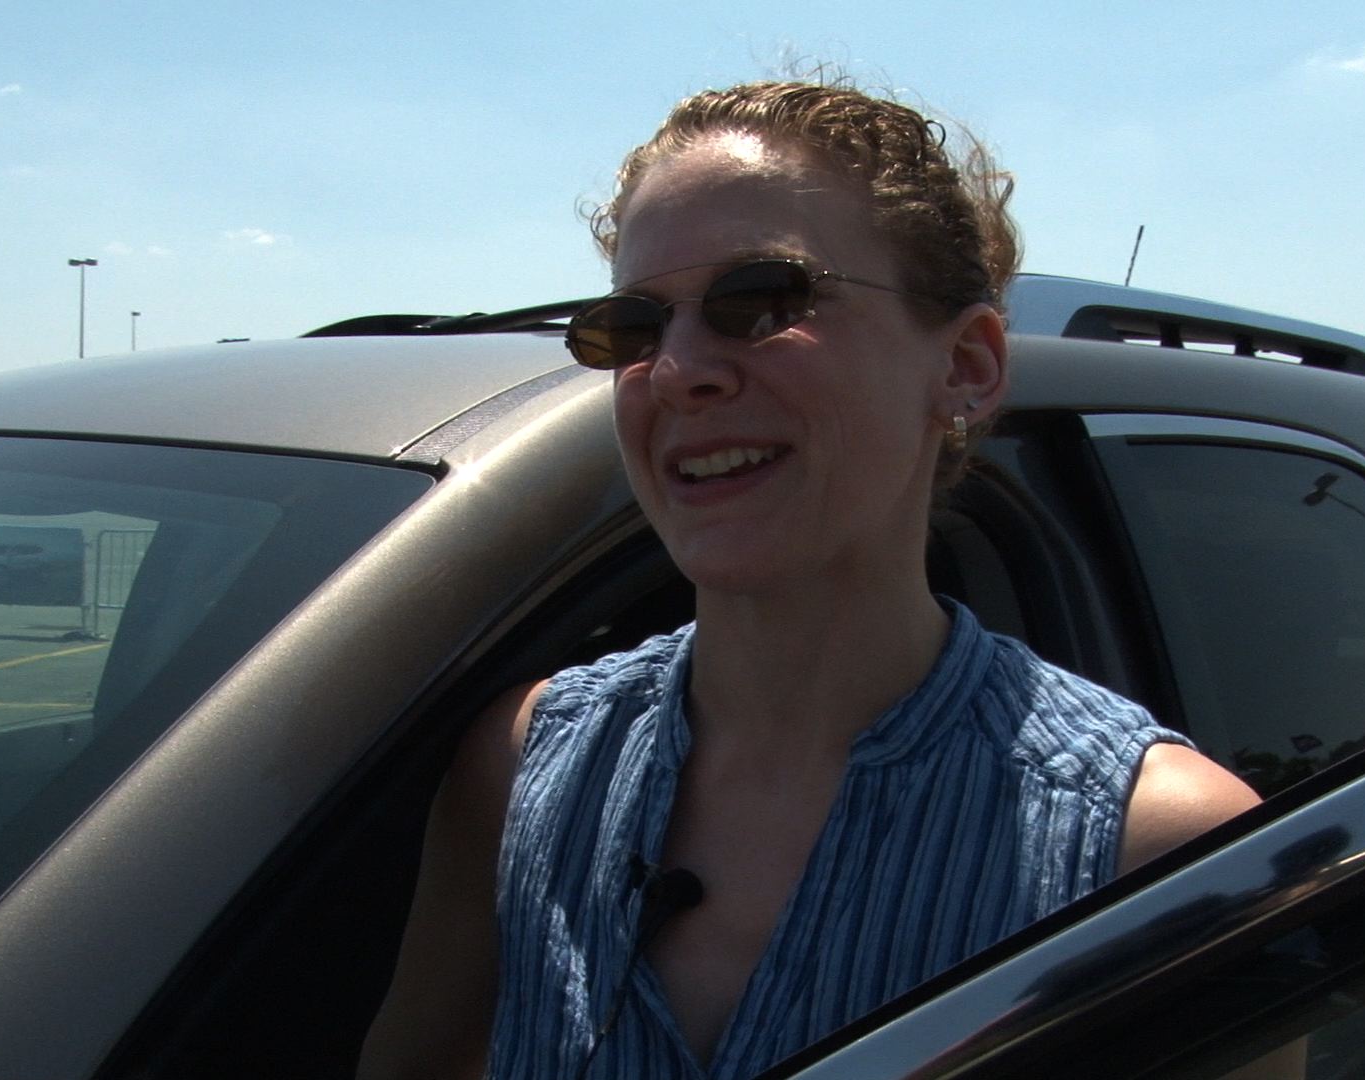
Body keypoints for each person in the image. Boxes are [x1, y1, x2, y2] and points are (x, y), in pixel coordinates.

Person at [359, 77, 1260, 1080]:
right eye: (636, 325)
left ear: (965, 364)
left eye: (763, 299)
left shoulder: (1159, 848)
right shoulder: (524, 770)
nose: (678, 370)